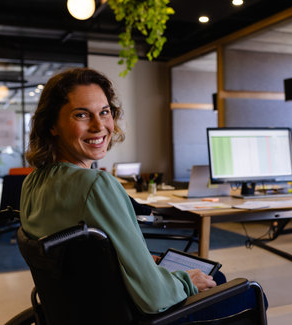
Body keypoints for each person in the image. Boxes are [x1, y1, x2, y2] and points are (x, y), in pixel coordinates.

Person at [20, 67, 264, 320]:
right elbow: (153, 299)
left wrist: (129, 261)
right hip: (131, 315)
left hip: (79, 309)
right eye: (81, 115)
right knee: (247, 292)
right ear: (52, 125)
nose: (99, 125)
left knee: (209, 277)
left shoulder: (33, 183)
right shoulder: (95, 185)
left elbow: (80, 259)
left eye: (104, 112)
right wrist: (184, 281)